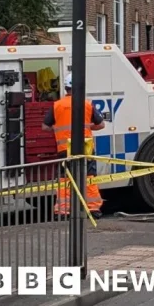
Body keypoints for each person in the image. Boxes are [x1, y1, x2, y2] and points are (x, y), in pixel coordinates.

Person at [43, 73, 105, 219]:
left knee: (65, 179)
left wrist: (57, 129)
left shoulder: (57, 105)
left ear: (66, 87)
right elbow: (101, 124)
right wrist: (89, 127)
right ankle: (93, 209)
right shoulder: (87, 104)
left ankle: (63, 211)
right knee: (89, 177)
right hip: (85, 148)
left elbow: (45, 126)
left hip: (65, 149)